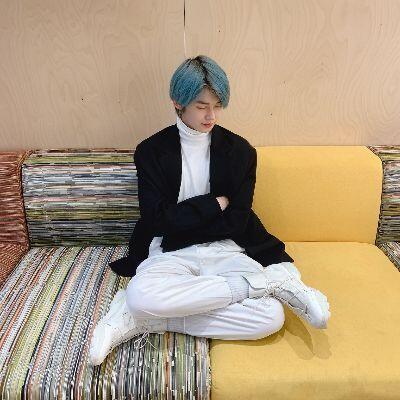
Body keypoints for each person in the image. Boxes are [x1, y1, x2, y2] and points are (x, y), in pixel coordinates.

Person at [89, 55, 330, 366]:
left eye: (217, 105)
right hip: (170, 250)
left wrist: (183, 220)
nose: (211, 115)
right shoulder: (151, 151)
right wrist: (213, 204)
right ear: (178, 102)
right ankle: (265, 284)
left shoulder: (241, 152)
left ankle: (143, 319)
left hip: (225, 248)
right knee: (140, 294)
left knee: (270, 317)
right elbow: (156, 220)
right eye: (202, 106)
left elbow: (237, 220)